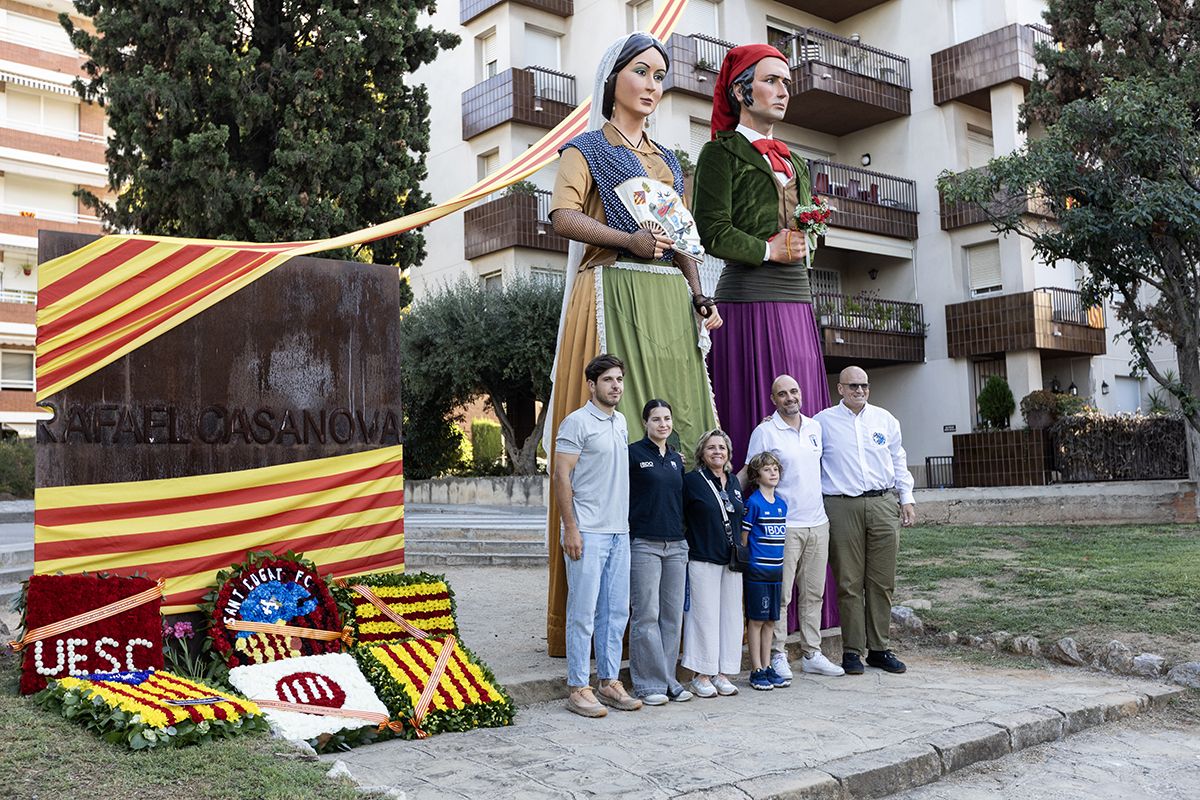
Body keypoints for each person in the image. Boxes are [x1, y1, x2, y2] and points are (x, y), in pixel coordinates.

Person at [543, 31, 723, 658]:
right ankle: (600, 627)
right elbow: (563, 219)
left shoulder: (672, 163)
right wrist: (627, 240)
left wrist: (700, 296)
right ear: (613, 79)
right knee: (611, 455)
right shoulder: (584, 149)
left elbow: (684, 241)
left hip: (670, 307)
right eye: (642, 72)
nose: (652, 85)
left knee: (673, 440)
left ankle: (671, 626)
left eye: (660, 76)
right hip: (610, 296)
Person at [692, 43, 840, 639]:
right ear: (741, 91)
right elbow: (709, 230)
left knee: (805, 430)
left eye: (787, 81)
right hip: (748, 304)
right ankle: (750, 610)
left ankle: (814, 607)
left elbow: (807, 227)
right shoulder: (719, 154)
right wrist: (767, 248)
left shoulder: (797, 160)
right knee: (754, 423)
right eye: (772, 81)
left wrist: (809, 240)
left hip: (798, 303)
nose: (783, 90)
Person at [740, 375, 845, 681]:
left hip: (817, 522)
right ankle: (778, 655)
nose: (790, 397)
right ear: (773, 399)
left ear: (801, 393)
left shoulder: (815, 427)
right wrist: (727, 495)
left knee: (814, 593)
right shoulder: (764, 431)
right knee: (781, 596)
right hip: (782, 527)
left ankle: (812, 653)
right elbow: (751, 471)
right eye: (782, 393)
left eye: (794, 391)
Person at [815, 366, 917, 676]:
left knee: (882, 580)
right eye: (853, 386)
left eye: (864, 386)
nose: (860, 390)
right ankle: (851, 651)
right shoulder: (822, 423)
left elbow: (898, 458)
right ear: (840, 389)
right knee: (848, 582)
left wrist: (907, 497)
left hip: (883, 502)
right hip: (841, 505)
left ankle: (879, 649)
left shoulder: (885, 420)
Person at [555, 353, 641, 717]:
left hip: (619, 531)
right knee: (583, 612)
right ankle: (578, 686)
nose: (616, 386)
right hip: (587, 531)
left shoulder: (621, 421)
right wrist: (571, 528)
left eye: (619, 379)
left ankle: (608, 682)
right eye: (608, 380)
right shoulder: (576, 423)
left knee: (616, 611)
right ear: (592, 385)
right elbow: (560, 477)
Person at [628, 399, 692, 705]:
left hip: (677, 546)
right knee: (646, 615)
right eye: (656, 419)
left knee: (671, 617)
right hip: (645, 544)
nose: (663, 424)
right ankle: (647, 684)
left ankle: (668, 679)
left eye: (667, 418)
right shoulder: (633, 454)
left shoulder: (677, 459)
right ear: (645, 423)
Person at [681, 428, 744, 698]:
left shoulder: (733, 482)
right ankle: (701, 674)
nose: (717, 452)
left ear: (728, 453)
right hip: (702, 556)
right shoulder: (693, 481)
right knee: (703, 616)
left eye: (721, 447)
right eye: (711, 448)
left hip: (731, 561)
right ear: (701, 453)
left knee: (730, 617)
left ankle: (723, 672)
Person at [741, 451, 788, 691]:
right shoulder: (753, 503)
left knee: (770, 620)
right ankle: (756, 668)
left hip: (776, 572)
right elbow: (745, 539)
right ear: (756, 475)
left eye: (776, 469)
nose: (773, 473)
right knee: (756, 620)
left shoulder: (781, 504)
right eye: (767, 469)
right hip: (757, 571)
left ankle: (768, 666)